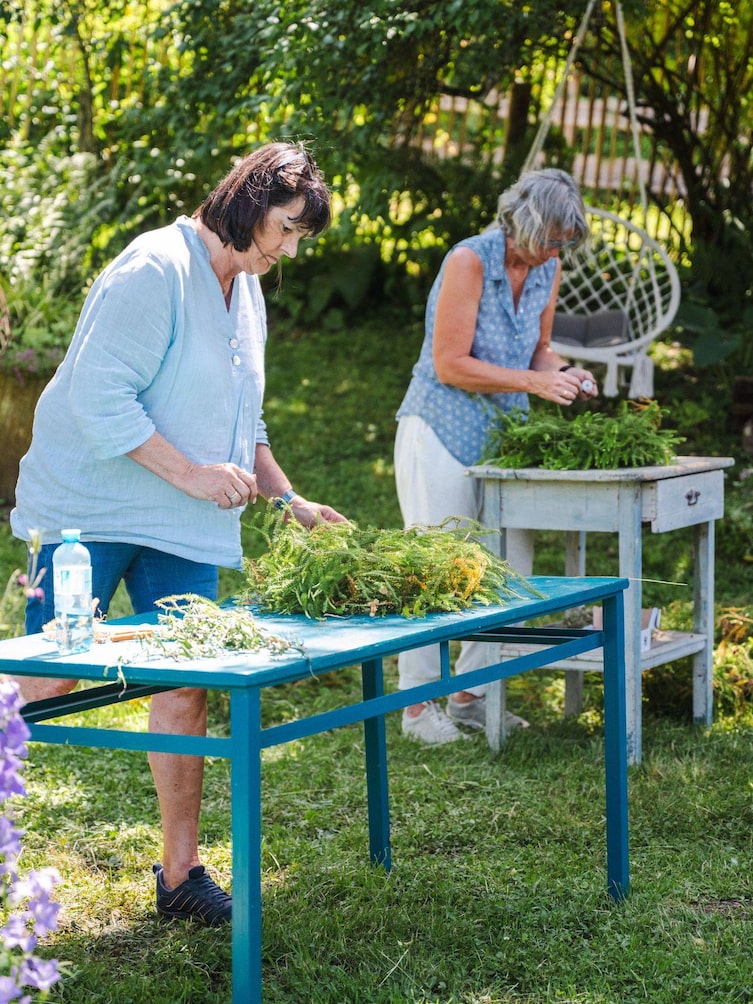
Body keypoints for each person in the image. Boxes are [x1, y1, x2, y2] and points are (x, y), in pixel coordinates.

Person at [10, 141, 347, 924]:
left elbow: (241, 422)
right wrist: (193, 474)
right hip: (88, 508)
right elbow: (98, 398)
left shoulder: (246, 288)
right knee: (48, 682)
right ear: (249, 204)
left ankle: (179, 876)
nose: (291, 250)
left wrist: (286, 500)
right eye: (287, 229)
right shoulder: (153, 268)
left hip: (179, 521)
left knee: (186, 680)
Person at [394, 167, 599, 746]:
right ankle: (417, 707)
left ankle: (470, 697)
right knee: (437, 568)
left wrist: (566, 372)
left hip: (504, 435)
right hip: (440, 427)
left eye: (564, 244)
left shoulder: (547, 267)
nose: (557, 252)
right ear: (524, 224)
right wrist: (534, 383)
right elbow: (449, 364)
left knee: (507, 568)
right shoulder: (469, 261)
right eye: (552, 240)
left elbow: (538, 350)